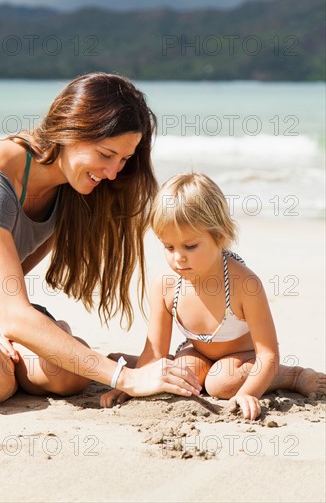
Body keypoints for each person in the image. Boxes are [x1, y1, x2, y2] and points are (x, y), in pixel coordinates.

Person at [0, 73, 202, 406]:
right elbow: (14, 314)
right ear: (71, 129)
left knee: (66, 377)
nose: (114, 172)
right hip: (3, 312)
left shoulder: (69, 191)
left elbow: (6, 284)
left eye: (124, 159)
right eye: (106, 154)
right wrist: (126, 377)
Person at [101, 173, 326, 419]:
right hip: (196, 353)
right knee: (182, 376)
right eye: (169, 247)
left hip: (245, 358)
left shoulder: (245, 284)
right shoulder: (164, 285)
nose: (178, 257)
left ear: (219, 236)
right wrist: (132, 384)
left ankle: (294, 375)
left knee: (223, 383)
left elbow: (268, 354)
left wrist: (249, 392)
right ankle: (140, 363)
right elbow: (156, 351)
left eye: (190, 246)